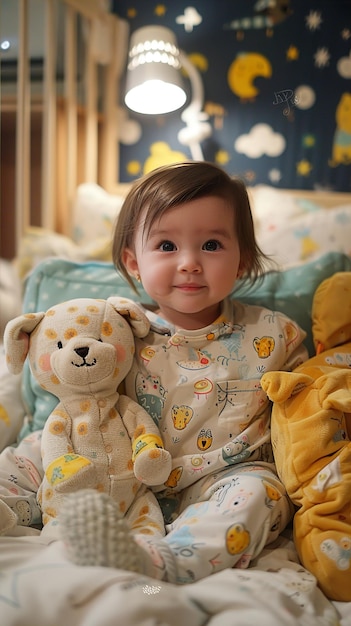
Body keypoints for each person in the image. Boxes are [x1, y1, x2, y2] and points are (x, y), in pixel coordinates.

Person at [108, 161, 308, 584]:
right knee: (43, 450)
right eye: (165, 246)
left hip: (228, 478)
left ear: (242, 260)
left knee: (262, 495)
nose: (189, 263)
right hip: (131, 476)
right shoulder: (119, 331)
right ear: (134, 262)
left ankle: (171, 563)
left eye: (212, 245)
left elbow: (307, 416)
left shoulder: (274, 333)